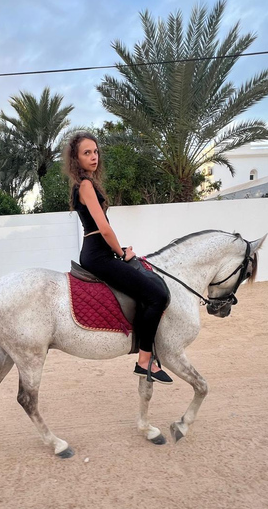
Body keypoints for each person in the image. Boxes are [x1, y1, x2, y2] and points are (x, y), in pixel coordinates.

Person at [64, 131, 172, 384]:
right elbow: (104, 228)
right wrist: (122, 254)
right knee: (157, 295)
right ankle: (145, 361)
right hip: (97, 256)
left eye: (95, 151)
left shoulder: (86, 184)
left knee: (147, 284)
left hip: (100, 252)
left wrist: (119, 249)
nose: (94, 157)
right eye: (86, 153)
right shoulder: (86, 185)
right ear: (76, 159)